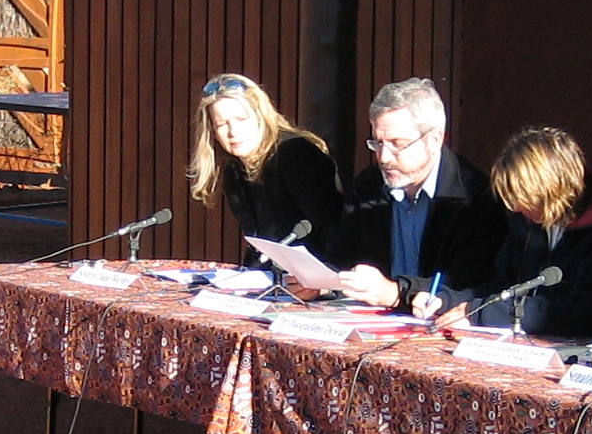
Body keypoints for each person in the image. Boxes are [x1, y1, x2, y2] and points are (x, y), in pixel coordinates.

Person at [414, 126, 592, 339]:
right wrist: (447, 301)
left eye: (526, 200)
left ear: (554, 189)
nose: (518, 209)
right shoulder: (527, 223)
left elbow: (585, 313)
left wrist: (481, 315)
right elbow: (504, 288)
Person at [314, 77, 505, 308]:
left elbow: (467, 283)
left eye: (398, 144)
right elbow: (342, 256)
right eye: (378, 143)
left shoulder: (475, 197)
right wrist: (322, 283)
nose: (384, 157)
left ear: (434, 140)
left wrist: (396, 293)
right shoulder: (369, 185)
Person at [187, 72, 342, 266]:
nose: (233, 131)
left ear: (262, 117)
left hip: (316, 285)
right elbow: (260, 246)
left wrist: (324, 284)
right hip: (271, 281)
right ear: (213, 133)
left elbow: (336, 234)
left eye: (241, 119)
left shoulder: (296, 154)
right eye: (221, 124)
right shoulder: (234, 171)